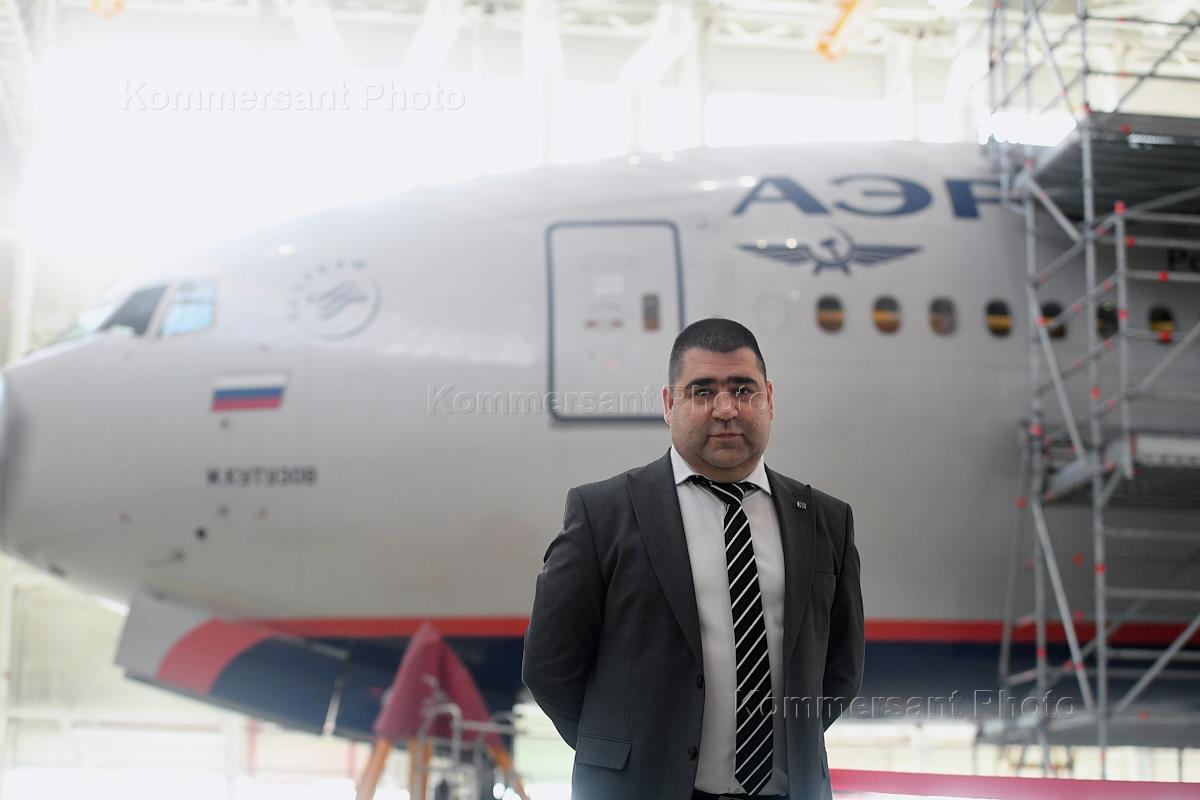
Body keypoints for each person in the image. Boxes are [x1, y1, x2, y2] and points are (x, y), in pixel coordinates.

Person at [522, 317, 864, 800]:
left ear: (769, 399)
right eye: (702, 392)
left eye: (743, 390)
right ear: (669, 404)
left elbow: (841, 671)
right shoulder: (602, 514)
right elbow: (550, 665)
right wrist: (622, 753)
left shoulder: (826, 520)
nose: (725, 409)